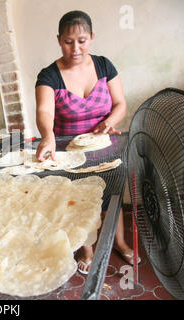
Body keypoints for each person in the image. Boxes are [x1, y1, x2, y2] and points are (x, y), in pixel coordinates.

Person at [35, 10, 140, 274]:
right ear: (59, 40)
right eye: (69, 41)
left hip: (105, 147)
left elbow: (120, 104)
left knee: (110, 198)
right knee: (78, 203)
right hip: (68, 153)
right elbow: (44, 111)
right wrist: (47, 136)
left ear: (91, 38)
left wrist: (110, 121)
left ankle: (119, 242)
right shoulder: (49, 75)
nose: (76, 48)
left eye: (82, 40)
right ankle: (86, 249)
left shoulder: (104, 66)